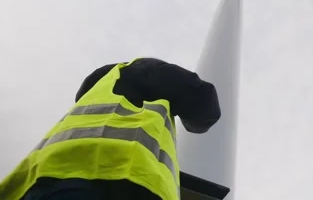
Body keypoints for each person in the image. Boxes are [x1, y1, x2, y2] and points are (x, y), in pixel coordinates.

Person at [0, 57, 222, 200]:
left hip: (42, 179)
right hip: (121, 176)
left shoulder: (95, 92)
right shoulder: (143, 70)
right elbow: (203, 106)